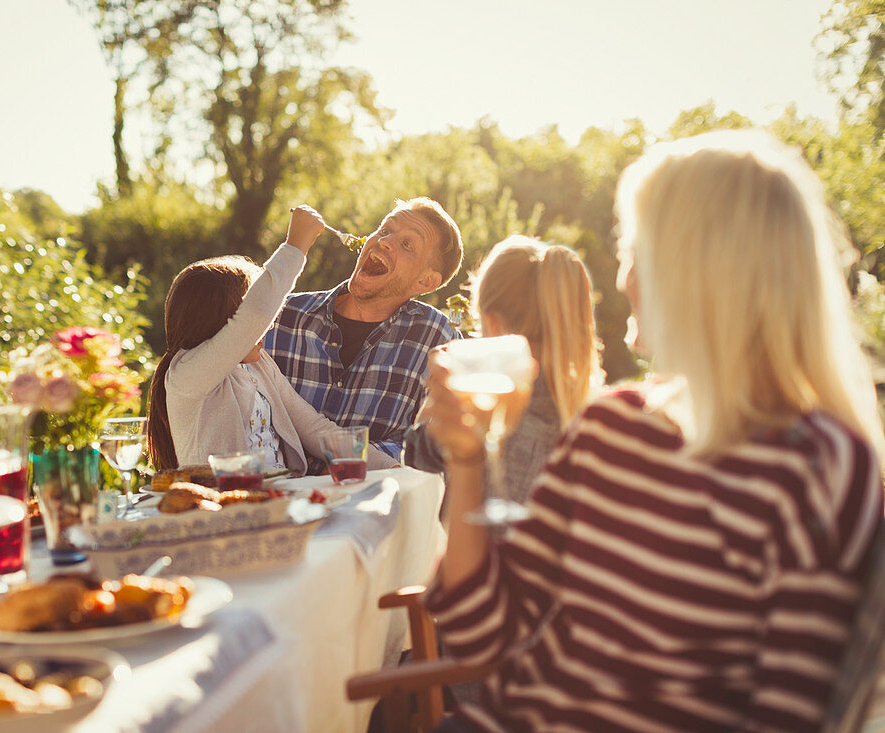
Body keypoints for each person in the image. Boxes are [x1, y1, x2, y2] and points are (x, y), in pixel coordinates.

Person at [419, 131, 885, 732]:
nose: (623, 278)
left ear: (704, 268)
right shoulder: (612, 426)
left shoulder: (820, 472)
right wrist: (462, 462)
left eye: (637, 249)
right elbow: (480, 630)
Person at [147, 205, 399, 474]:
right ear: (221, 320)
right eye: (256, 320)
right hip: (225, 506)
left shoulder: (260, 366)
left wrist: (394, 469)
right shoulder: (188, 372)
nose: (267, 326)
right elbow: (255, 314)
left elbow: (316, 429)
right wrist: (295, 247)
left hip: (281, 497)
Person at [263, 197, 465, 471]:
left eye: (407, 244)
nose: (385, 241)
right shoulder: (281, 315)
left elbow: (435, 441)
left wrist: (339, 463)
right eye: (385, 230)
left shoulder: (438, 338)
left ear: (425, 281)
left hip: (370, 508)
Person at [403, 237, 603, 506]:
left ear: (493, 325)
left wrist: (438, 395)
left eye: (478, 325)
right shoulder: (590, 411)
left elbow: (417, 458)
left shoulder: (482, 412)